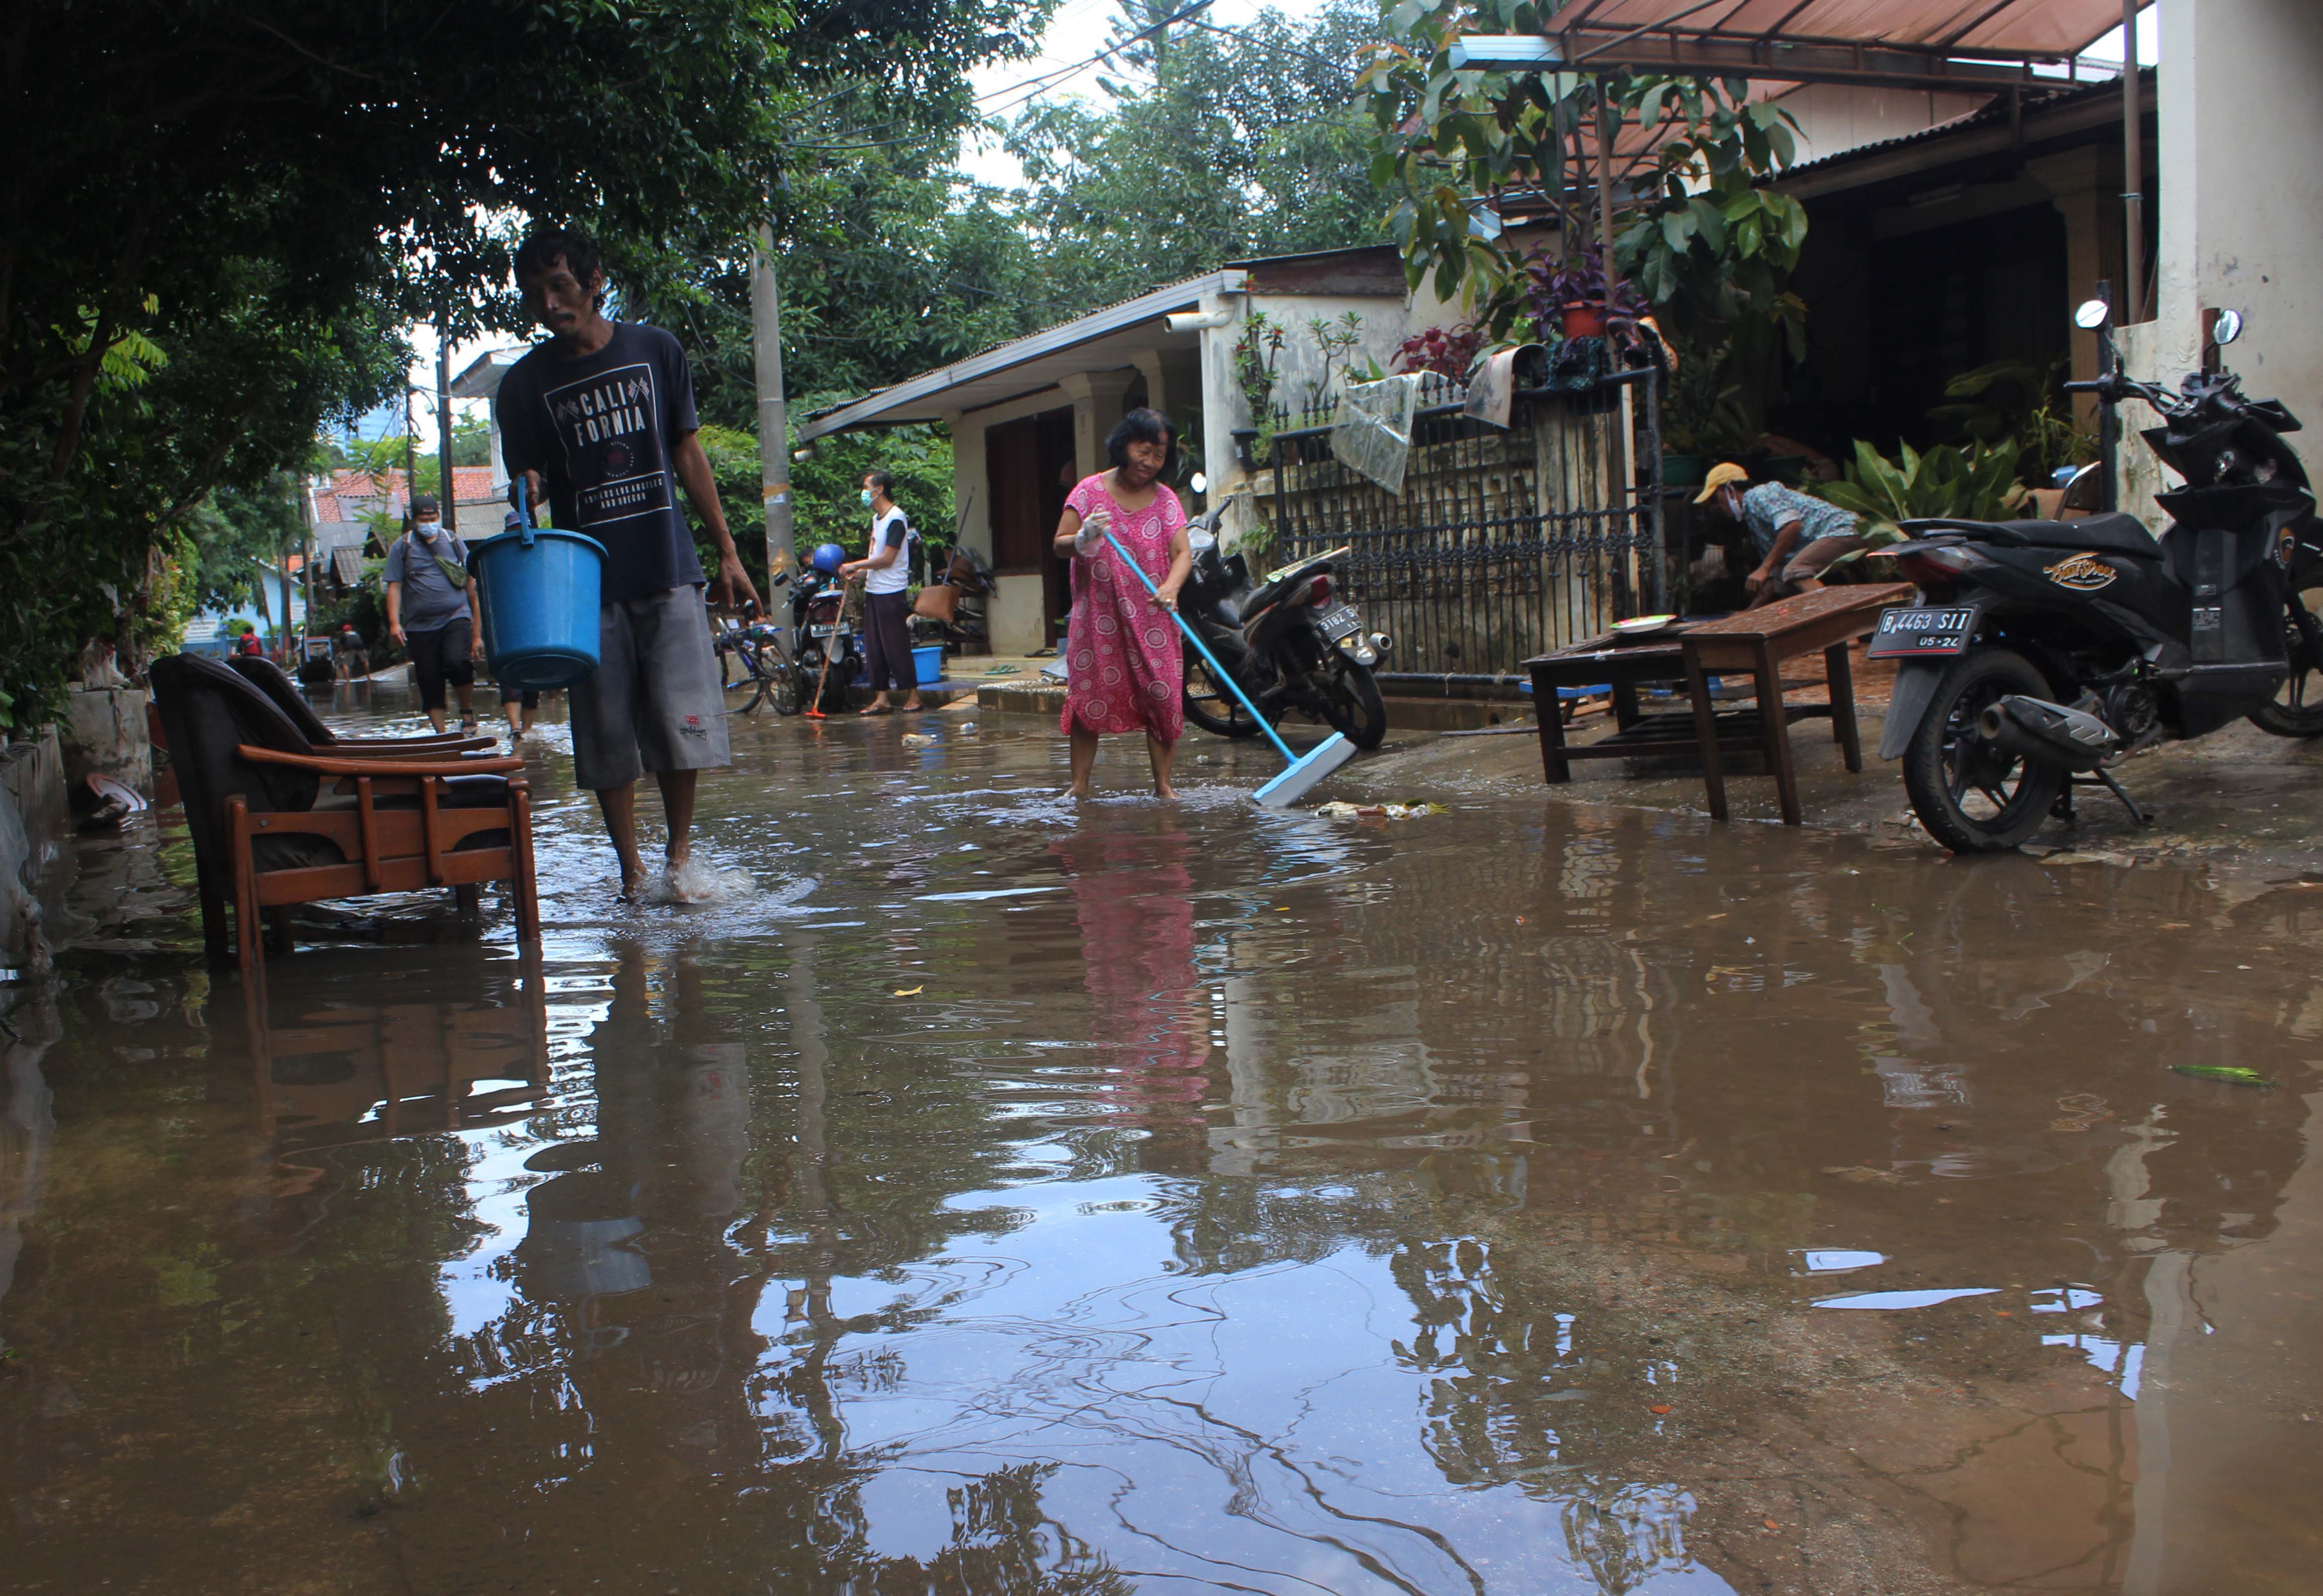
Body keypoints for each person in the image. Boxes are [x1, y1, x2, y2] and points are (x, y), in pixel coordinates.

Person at [496, 226, 760, 900]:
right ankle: (632, 872)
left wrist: (727, 552)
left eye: (560, 286)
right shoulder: (524, 386)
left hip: (668, 566)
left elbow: (689, 457)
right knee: (606, 732)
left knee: (683, 723)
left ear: (593, 282)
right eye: (535, 292)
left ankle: (678, 857)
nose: (549, 303)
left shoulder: (657, 351)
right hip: (579, 588)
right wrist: (528, 486)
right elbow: (530, 481)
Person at [1051, 407, 1191, 799]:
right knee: (1087, 696)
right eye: (1143, 451)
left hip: (1152, 615)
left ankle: (1163, 786)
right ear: (1123, 445)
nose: (1149, 463)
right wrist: (1083, 538)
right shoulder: (1089, 491)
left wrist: (1172, 587)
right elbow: (1060, 544)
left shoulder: (1166, 501)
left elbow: (1183, 553)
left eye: (1159, 457)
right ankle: (1078, 786)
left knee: (1163, 695)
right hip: (1098, 617)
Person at [1696, 462, 1866, 609]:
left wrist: (1764, 568)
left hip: (1845, 530)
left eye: (1715, 500)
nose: (1715, 507)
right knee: (1785, 584)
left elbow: (1792, 525)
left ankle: (1836, 631)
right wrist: (1745, 617)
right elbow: (1773, 579)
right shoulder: (1754, 521)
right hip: (1839, 535)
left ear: (1729, 489)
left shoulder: (1759, 495)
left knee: (1795, 570)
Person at [383, 494, 484, 731]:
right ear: (414, 520)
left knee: (458, 662)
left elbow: (471, 582)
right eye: (423, 518)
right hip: (419, 626)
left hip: (456, 617)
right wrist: (394, 623)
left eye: (433, 517)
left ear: (439, 516)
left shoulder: (452, 540)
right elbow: (394, 586)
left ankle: (467, 711)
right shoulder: (402, 547)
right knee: (428, 677)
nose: (429, 522)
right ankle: (442, 734)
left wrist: (477, 631)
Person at [838, 469, 923, 715]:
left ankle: (913, 696)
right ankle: (882, 698)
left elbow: (887, 558)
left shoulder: (896, 518)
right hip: (875, 590)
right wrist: (860, 574)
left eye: (867, 487)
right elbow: (876, 559)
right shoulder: (877, 521)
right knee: (874, 646)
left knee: (896, 644)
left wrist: (856, 564)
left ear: (880, 489)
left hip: (892, 591)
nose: (864, 493)